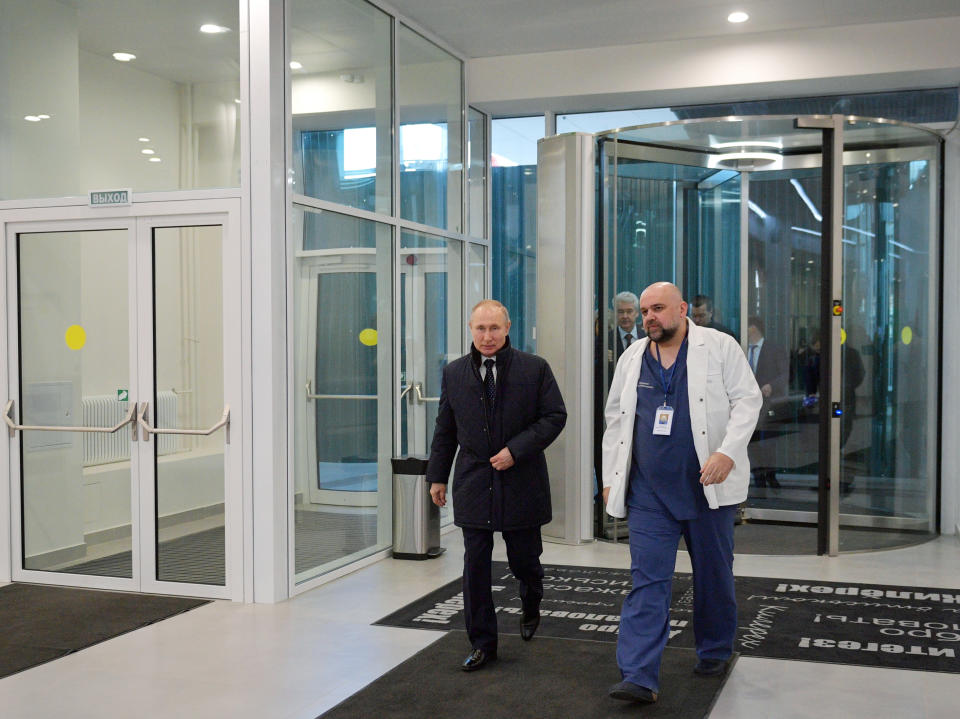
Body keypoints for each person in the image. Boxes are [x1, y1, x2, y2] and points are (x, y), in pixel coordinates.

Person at [601, 282, 761, 704]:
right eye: (646, 311)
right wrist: (608, 477)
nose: (650, 317)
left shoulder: (719, 346)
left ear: (682, 309)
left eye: (658, 308)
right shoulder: (634, 357)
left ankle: (715, 648)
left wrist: (727, 453)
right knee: (647, 581)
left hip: (706, 486)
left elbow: (748, 400)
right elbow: (616, 417)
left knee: (713, 575)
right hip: (649, 492)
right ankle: (638, 674)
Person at [427, 299, 567, 672]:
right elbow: (446, 428)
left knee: (524, 560)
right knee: (475, 566)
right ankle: (482, 643)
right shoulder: (454, 372)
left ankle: (531, 597)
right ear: (470, 329)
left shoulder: (534, 369)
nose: (487, 337)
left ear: (507, 328)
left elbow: (555, 415)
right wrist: (437, 475)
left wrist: (515, 451)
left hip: (521, 480)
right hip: (474, 481)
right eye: (480, 329)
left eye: (494, 328)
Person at [746, 316, 789, 488]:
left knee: (769, 443)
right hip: (749, 404)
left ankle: (771, 475)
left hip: (770, 404)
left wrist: (771, 385)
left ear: (754, 328)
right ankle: (759, 478)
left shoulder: (774, 349)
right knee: (752, 443)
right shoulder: (742, 349)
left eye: (747, 327)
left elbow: (785, 374)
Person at [611, 291, 643, 361]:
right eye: (620, 312)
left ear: (637, 313)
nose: (625, 316)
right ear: (615, 313)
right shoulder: (606, 339)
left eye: (629, 311)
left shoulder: (646, 337)